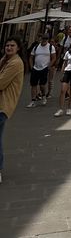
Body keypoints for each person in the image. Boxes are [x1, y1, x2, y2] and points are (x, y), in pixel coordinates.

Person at [0, 36, 25, 183]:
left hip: (3, 106)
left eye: (12, 45)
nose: (9, 48)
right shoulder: (7, 60)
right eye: (7, 45)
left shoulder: (15, 63)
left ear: (18, 48)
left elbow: (1, 83)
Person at [27, 34, 56, 107]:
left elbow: (53, 58)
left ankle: (43, 96)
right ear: (41, 39)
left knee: (42, 85)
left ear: (48, 40)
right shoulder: (36, 47)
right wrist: (31, 67)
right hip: (35, 68)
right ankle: (33, 101)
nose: (44, 40)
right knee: (33, 84)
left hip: (44, 68)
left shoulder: (50, 47)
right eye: (43, 39)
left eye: (46, 39)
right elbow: (31, 57)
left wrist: (49, 66)